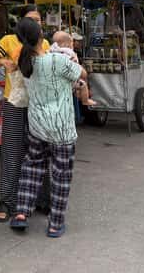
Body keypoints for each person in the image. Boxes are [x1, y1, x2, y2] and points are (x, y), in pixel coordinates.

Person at [8, 18, 86, 238]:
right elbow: (82, 75)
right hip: (61, 127)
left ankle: (22, 213)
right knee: (61, 174)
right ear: (41, 36)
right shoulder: (56, 61)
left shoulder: (25, 64)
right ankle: (55, 223)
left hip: (37, 125)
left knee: (33, 166)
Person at [0, 5, 50, 221]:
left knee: (39, 151)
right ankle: (7, 200)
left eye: (39, 20)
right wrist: (3, 61)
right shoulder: (8, 41)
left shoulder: (44, 44)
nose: (36, 24)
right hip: (14, 103)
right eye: (32, 20)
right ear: (21, 23)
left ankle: (42, 198)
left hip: (38, 104)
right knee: (12, 152)